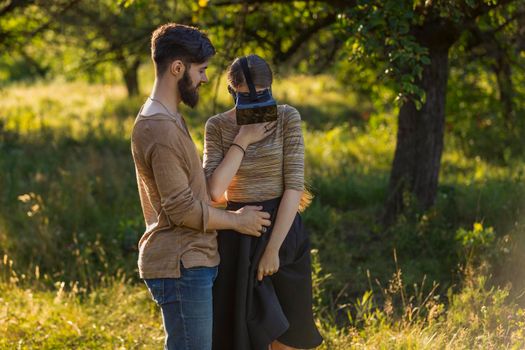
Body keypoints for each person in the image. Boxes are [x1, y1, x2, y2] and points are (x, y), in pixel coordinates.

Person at [130, 24, 274, 350]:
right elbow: (181, 209)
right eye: (201, 70)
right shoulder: (160, 128)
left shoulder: (167, 116)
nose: (205, 79)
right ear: (177, 68)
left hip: (192, 260)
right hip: (182, 263)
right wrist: (239, 220)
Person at [204, 54, 323, 350]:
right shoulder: (217, 126)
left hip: (283, 232)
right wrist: (242, 140)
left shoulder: (287, 117)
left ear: (270, 86)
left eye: (261, 93)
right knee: (244, 335)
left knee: (290, 336)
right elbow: (215, 191)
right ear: (232, 92)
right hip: (238, 232)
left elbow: (294, 186)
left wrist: (273, 250)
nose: (255, 103)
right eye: (244, 96)